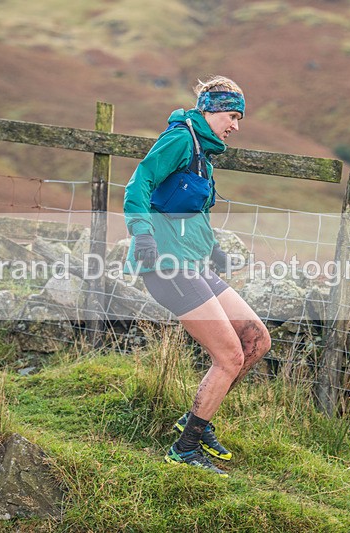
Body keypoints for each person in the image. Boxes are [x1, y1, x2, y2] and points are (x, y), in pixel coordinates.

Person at [123, 76, 272, 477]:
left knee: (256, 340)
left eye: (239, 117)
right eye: (231, 115)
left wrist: (213, 248)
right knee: (229, 355)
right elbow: (138, 185)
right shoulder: (180, 140)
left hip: (194, 261)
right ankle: (185, 449)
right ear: (209, 109)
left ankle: (195, 421)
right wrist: (142, 235)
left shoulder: (203, 154)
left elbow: (195, 211)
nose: (236, 126)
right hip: (166, 263)